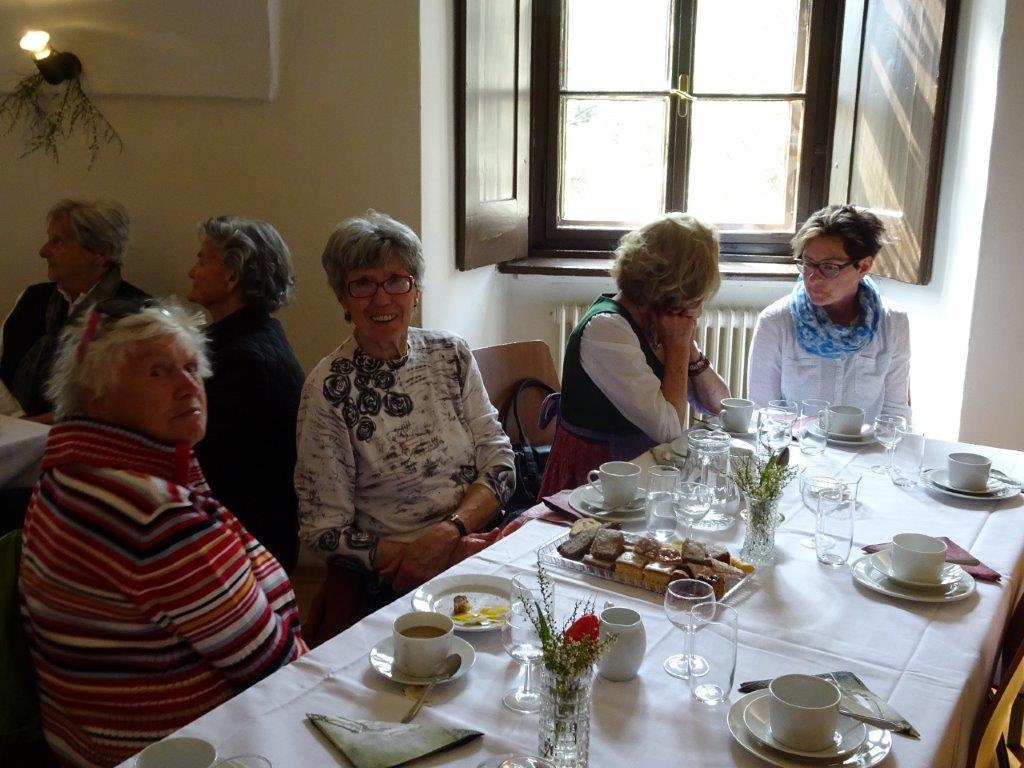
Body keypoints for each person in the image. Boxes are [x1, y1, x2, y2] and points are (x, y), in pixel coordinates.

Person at [19, 299, 306, 768]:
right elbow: (273, 666)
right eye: (158, 372)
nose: (188, 386)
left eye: (191, 367)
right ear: (98, 396)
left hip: (84, 741)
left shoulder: (66, 474)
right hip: (181, 750)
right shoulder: (156, 516)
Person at [295, 211, 514, 602]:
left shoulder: (450, 354)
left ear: (416, 290)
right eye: (363, 284)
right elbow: (323, 532)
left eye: (397, 280)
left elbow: (500, 463)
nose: (382, 299)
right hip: (398, 575)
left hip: (476, 540)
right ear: (343, 297)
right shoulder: (329, 389)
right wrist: (427, 555)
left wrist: (452, 533)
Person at [538, 212, 730, 497]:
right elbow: (668, 430)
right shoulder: (607, 329)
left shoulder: (659, 323)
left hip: (640, 470)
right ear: (675, 288)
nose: (699, 309)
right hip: (594, 482)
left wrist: (690, 351)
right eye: (697, 295)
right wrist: (678, 347)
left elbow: (720, 406)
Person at [188, 216, 305, 572]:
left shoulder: (242, 361)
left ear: (231, 277)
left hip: (242, 548)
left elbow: (204, 468)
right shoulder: (255, 337)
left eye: (202, 260)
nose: (192, 271)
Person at [746, 205, 911, 422]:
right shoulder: (776, 321)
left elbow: (895, 413)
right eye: (807, 264)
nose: (812, 277)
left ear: (863, 266)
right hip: (796, 443)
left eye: (829, 267)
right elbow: (762, 410)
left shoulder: (893, 322)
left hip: (865, 443)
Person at [0, 199, 148, 419]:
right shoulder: (32, 297)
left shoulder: (136, 314)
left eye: (58, 242)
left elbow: (122, 399)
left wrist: (34, 426)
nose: (43, 251)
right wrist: (15, 418)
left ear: (101, 252)